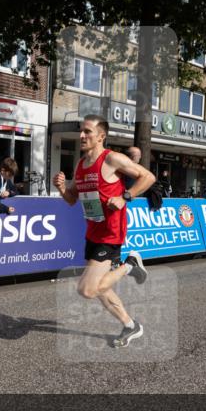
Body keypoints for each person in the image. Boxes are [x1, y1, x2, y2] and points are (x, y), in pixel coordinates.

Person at [52, 115, 155, 348]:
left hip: (110, 233)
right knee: (100, 287)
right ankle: (130, 325)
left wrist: (125, 196)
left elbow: (148, 177)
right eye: (81, 131)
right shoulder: (80, 164)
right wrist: (61, 187)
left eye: (87, 131)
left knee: (88, 289)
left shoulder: (112, 159)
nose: (82, 136)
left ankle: (129, 265)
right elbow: (72, 199)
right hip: (93, 232)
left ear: (101, 136)